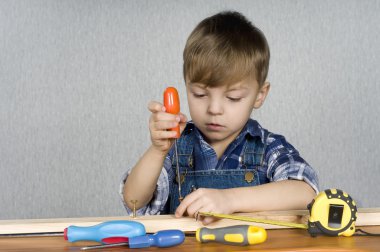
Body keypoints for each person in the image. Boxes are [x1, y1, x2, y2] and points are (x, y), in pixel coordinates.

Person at [120, 11, 319, 225]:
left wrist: (229, 199)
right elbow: (134, 202)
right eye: (200, 94)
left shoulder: (267, 147)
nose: (214, 109)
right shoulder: (176, 146)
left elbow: (306, 192)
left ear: (259, 95)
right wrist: (157, 150)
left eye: (233, 98)